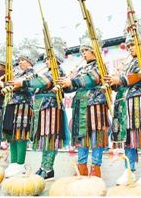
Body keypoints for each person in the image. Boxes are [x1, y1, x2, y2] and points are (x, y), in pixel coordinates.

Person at [105, 18, 141, 186]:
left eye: (134, 44)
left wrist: (120, 79)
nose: (130, 48)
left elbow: (140, 76)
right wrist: (111, 83)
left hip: (138, 103)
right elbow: (120, 83)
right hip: (124, 104)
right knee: (128, 139)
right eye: (129, 46)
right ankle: (129, 170)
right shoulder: (126, 63)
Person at [13, 37, 69, 180]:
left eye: (49, 58)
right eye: (45, 59)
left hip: (51, 108)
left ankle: (48, 168)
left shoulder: (56, 72)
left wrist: (24, 83)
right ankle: (44, 167)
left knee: (50, 137)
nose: (46, 61)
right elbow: (35, 88)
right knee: (45, 138)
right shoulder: (48, 71)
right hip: (43, 109)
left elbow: (41, 82)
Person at [57, 30, 110, 178]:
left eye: (86, 50)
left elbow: (91, 79)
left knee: (96, 135)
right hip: (80, 106)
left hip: (95, 105)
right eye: (82, 51)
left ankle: (96, 168)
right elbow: (73, 86)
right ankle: (81, 167)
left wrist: (72, 81)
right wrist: (64, 85)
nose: (83, 53)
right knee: (81, 136)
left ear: (94, 51)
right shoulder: (81, 69)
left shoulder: (100, 66)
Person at [0, 45, 38, 177]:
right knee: (11, 134)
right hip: (11, 104)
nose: (20, 62)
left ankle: (20, 164)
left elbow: (27, 88)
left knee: (20, 133)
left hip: (23, 105)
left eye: (23, 59)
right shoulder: (15, 73)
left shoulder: (32, 72)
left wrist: (3, 85)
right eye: (19, 59)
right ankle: (13, 163)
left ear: (29, 61)